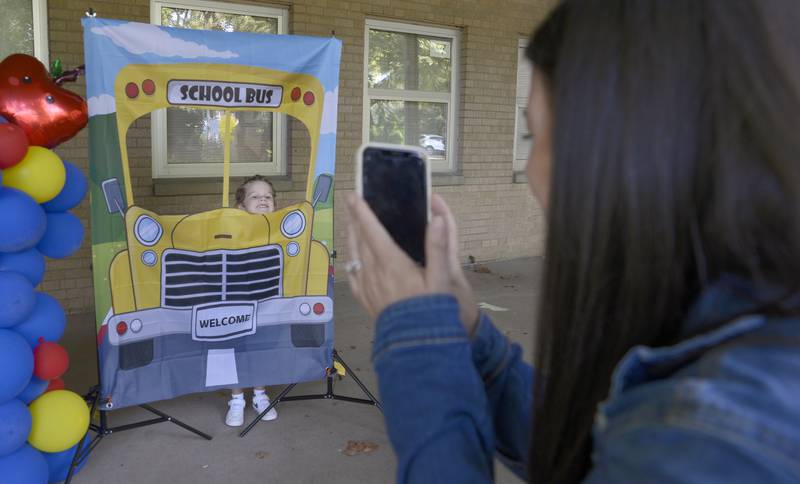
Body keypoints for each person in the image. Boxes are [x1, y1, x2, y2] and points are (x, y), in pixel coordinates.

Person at [345, 0, 800, 482]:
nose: (533, 175)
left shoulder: (714, 442)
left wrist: (418, 341)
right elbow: (594, 450)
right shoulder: (743, 343)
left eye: (533, 134)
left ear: (626, 151)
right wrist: (472, 338)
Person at [224, 174, 279, 427]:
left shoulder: (281, 230)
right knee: (236, 347)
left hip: (267, 301)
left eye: (268, 196)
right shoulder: (231, 232)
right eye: (255, 196)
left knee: (261, 346)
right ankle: (236, 399)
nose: (263, 200)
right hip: (237, 301)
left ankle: (259, 394)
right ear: (241, 206)